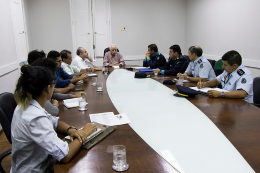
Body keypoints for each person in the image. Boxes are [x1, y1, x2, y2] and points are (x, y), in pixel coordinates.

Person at [11, 65, 96, 172]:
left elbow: (54, 122)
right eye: (53, 84)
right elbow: (65, 155)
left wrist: (72, 130)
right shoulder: (35, 117)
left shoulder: (25, 105)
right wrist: (85, 132)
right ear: (48, 88)